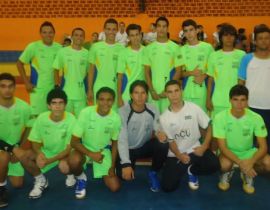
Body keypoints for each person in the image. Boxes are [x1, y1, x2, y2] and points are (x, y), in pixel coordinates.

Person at [158, 80, 220, 192]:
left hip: (195, 150)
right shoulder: (164, 117)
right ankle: (182, 167)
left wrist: (204, 146)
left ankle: (192, 170)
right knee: (168, 187)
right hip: (176, 154)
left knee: (214, 165)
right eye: (170, 92)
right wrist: (179, 156)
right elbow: (171, 142)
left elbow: (209, 125)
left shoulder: (193, 108)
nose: (174, 95)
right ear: (166, 94)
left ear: (182, 91)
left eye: (177, 90)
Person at [18, 88, 76, 199]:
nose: (57, 106)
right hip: (47, 151)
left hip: (65, 153)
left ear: (65, 105)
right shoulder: (42, 118)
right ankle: (41, 180)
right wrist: (39, 153)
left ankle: (70, 174)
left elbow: (69, 148)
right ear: (49, 106)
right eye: (54, 103)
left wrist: (49, 161)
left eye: (61, 103)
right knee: (24, 156)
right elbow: (35, 141)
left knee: (64, 167)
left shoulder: (71, 119)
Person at [213, 85, 270, 194]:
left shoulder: (256, 118)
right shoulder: (220, 117)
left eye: (243, 100)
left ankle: (246, 173)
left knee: (268, 163)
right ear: (230, 100)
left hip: (248, 152)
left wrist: (250, 162)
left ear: (247, 101)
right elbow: (223, 147)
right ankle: (229, 172)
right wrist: (241, 163)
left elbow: (263, 147)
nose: (239, 104)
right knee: (224, 165)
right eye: (235, 100)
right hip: (229, 152)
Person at [68, 87, 121, 199]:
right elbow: (74, 142)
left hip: (103, 151)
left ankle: (101, 170)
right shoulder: (86, 112)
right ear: (97, 101)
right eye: (102, 99)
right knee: (73, 161)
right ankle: (81, 178)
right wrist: (91, 154)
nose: (105, 103)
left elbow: (115, 143)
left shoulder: (116, 118)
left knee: (115, 187)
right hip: (84, 148)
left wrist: (112, 166)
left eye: (109, 100)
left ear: (113, 101)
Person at [117, 80, 168, 192]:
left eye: (143, 93)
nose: (140, 97)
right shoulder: (123, 111)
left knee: (163, 144)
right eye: (136, 93)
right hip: (127, 149)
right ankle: (130, 163)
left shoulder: (153, 108)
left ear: (147, 95)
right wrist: (126, 163)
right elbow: (122, 139)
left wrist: (160, 132)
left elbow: (157, 126)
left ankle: (153, 172)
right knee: (124, 178)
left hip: (143, 147)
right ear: (131, 95)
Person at [17, 21, 62, 118]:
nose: (48, 35)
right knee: (37, 119)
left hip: (53, 90)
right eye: (44, 32)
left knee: (53, 118)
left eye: (50, 32)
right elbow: (19, 63)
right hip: (37, 90)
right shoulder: (33, 47)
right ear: (40, 34)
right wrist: (26, 82)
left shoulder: (59, 48)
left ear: (54, 33)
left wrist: (59, 85)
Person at [0, 73, 31, 207]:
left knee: (18, 184)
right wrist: (12, 149)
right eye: (3, 86)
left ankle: (2, 171)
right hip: (4, 150)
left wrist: (20, 146)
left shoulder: (24, 107)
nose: (7, 89)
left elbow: (29, 129)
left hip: (15, 147)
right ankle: (1, 188)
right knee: (4, 157)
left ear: (15, 88)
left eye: (10, 86)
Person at [238, 24, 270, 152]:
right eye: (260, 38)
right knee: (251, 143)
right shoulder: (247, 59)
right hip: (251, 107)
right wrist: (241, 104)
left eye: (267, 38)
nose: (264, 40)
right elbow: (241, 84)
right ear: (255, 41)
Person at [207, 24, 246, 119]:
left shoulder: (242, 55)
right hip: (218, 101)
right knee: (217, 131)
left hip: (237, 102)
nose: (229, 38)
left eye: (231, 35)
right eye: (225, 35)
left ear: (235, 38)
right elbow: (210, 80)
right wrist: (208, 99)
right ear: (220, 38)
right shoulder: (213, 56)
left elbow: (246, 80)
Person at [144, 16, 181, 113]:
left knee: (170, 123)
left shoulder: (175, 47)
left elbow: (178, 71)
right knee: (155, 124)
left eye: (164, 26)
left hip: (169, 93)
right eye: (159, 26)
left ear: (167, 28)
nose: (161, 29)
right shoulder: (149, 48)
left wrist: (169, 90)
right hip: (154, 92)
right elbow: (146, 72)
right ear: (155, 28)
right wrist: (151, 90)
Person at [88, 18, 125, 107]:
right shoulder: (95, 47)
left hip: (115, 87)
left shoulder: (122, 49)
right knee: (98, 115)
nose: (111, 32)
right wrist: (89, 89)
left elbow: (121, 74)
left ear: (117, 30)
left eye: (114, 29)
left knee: (113, 115)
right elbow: (91, 71)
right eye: (108, 29)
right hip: (98, 86)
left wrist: (120, 95)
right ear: (104, 30)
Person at [179, 19, 214, 112]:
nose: (189, 33)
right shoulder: (181, 50)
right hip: (186, 92)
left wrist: (204, 76)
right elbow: (179, 74)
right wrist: (191, 73)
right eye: (186, 31)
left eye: (191, 30)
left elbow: (214, 69)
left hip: (203, 91)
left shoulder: (208, 47)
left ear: (197, 30)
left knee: (203, 123)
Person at [54, 28, 89, 117]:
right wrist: (57, 85)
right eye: (76, 35)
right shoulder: (62, 52)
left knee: (81, 121)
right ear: (72, 37)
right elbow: (56, 69)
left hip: (81, 94)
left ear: (84, 38)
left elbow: (89, 74)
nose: (79, 37)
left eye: (81, 35)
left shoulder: (87, 53)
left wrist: (89, 90)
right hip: (66, 93)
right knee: (65, 120)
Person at [117, 24, 145, 107]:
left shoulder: (147, 51)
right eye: (132, 35)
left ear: (140, 35)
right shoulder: (123, 53)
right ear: (128, 37)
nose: (135, 38)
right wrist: (119, 97)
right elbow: (120, 77)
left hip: (143, 94)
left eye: (137, 34)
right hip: (127, 94)